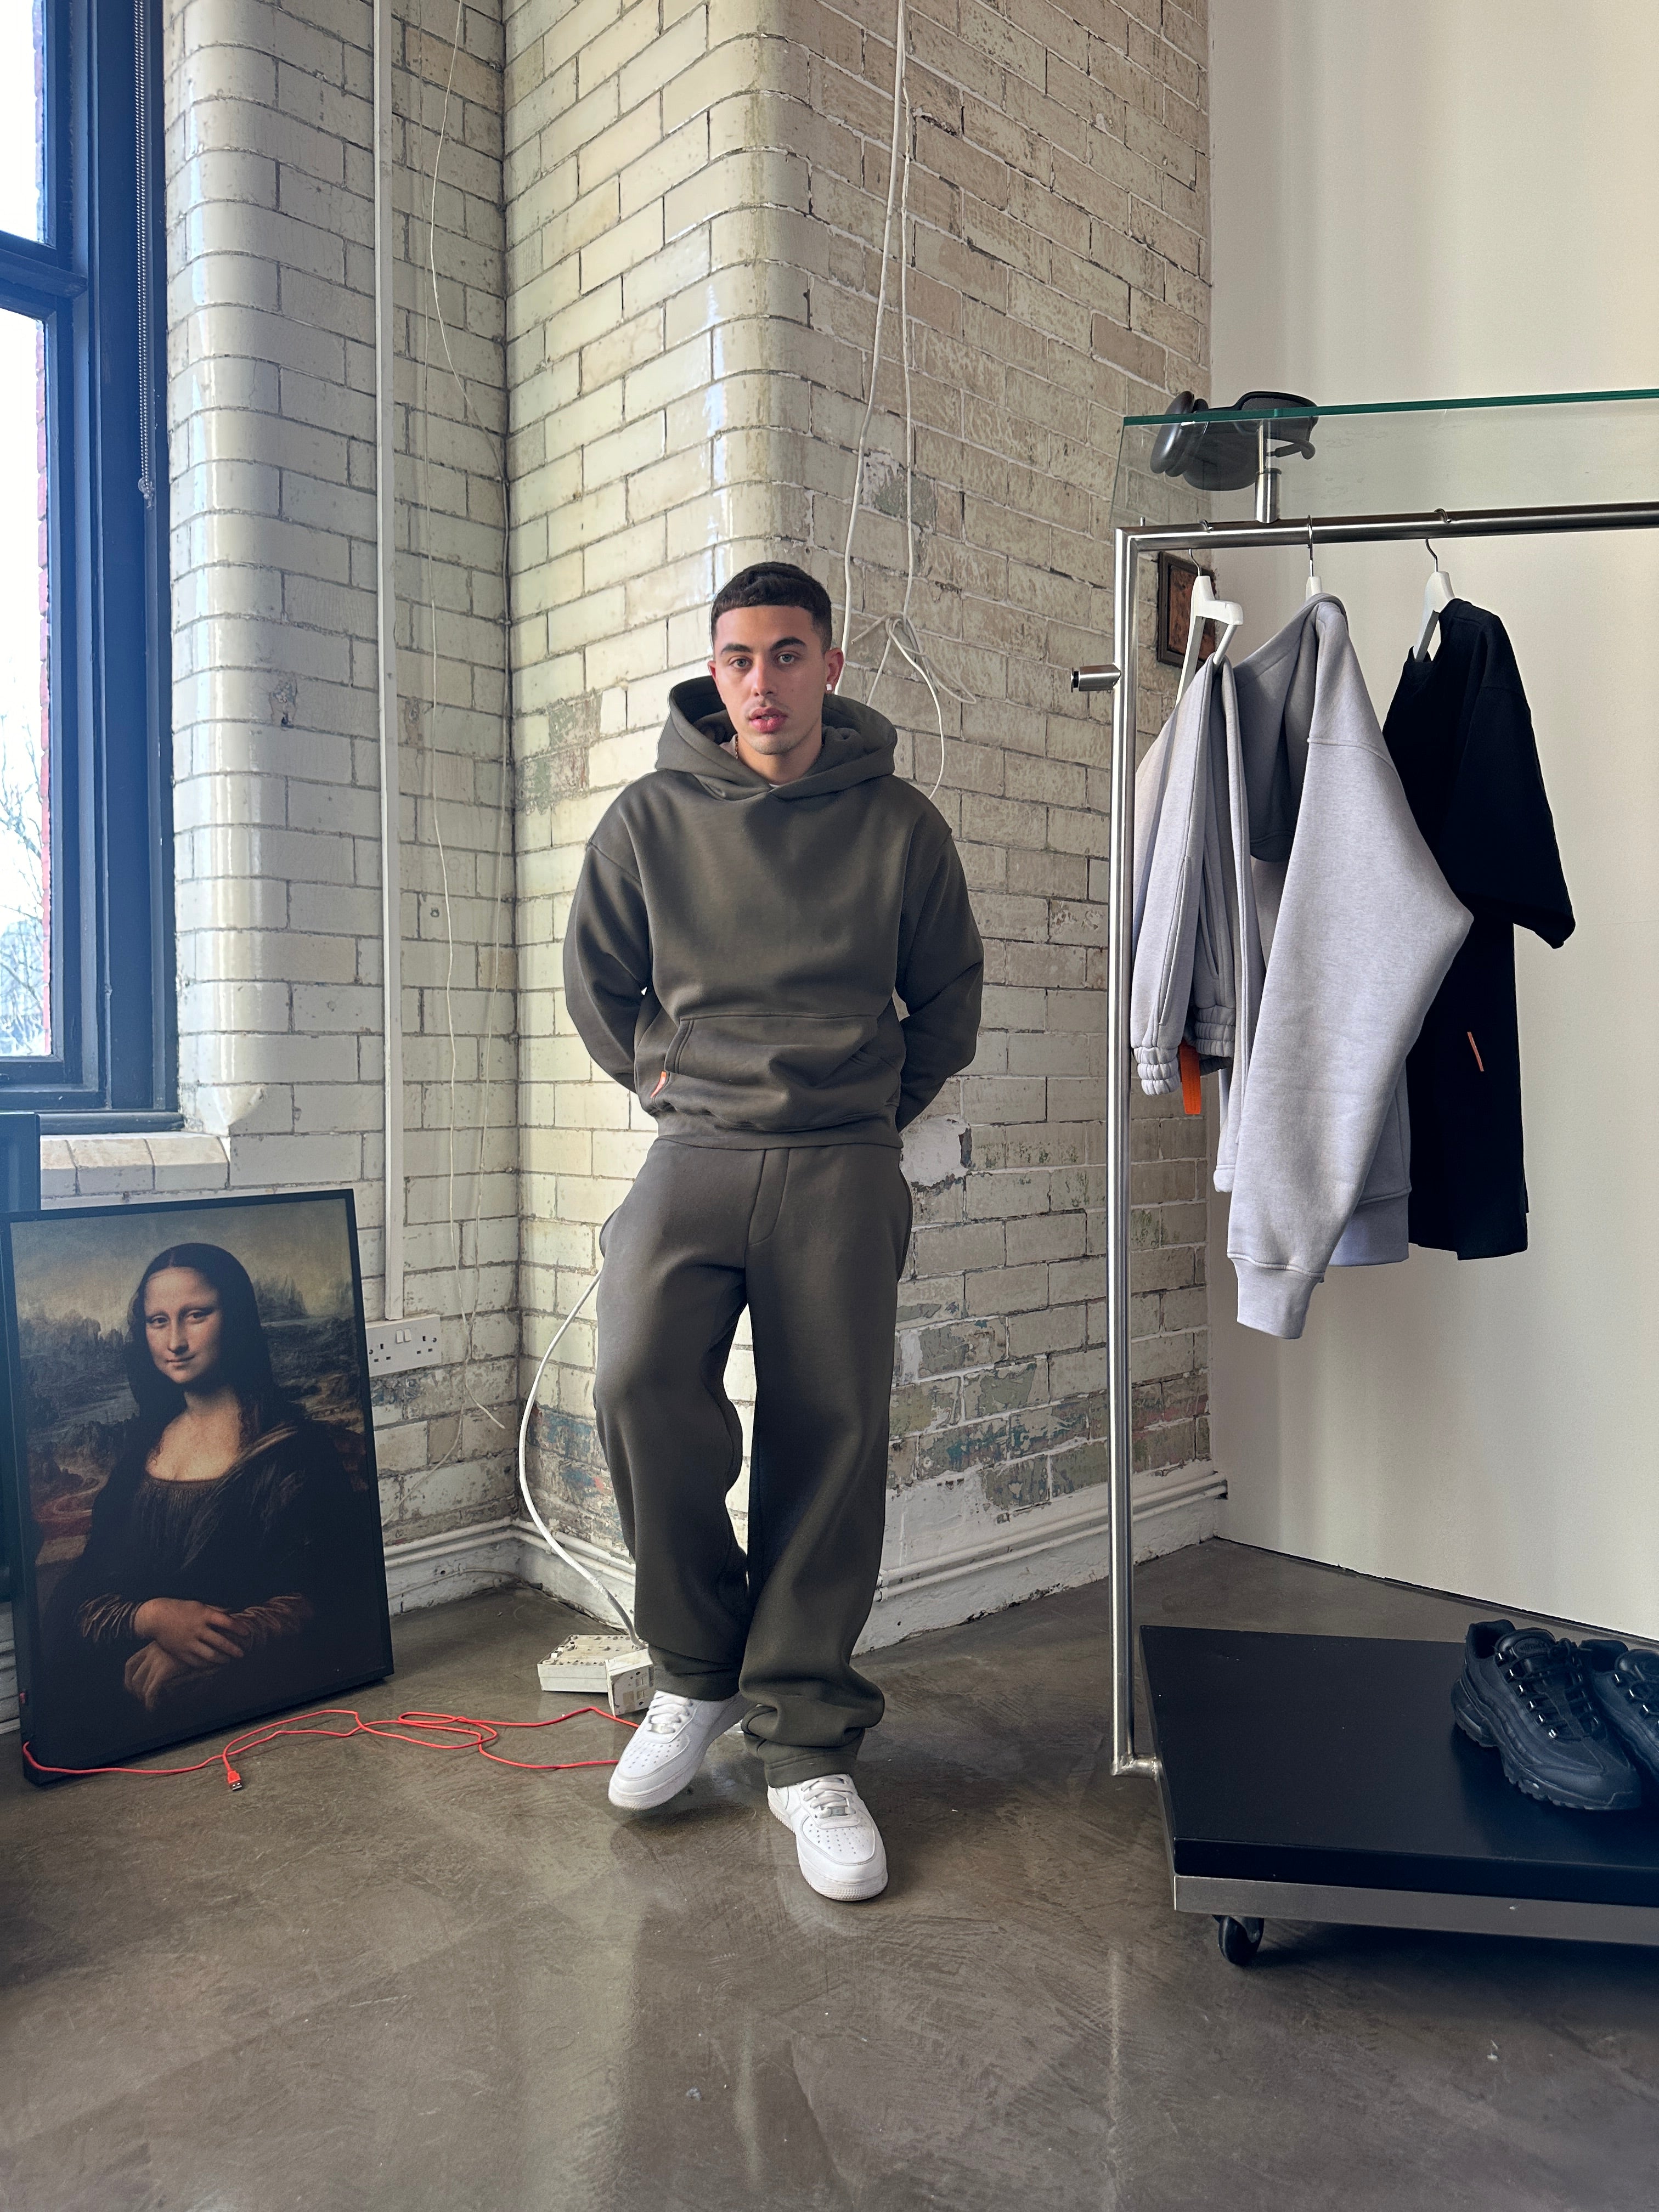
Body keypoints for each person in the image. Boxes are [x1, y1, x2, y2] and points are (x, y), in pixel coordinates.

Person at [563, 561, 983, 1901]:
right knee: (636, 1376)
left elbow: (949, 998)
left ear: (829, 667)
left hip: (842, 1158)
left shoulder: (901, 824)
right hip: (696, 1148)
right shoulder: (648, 820)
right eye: (739, 658)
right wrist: (666, 1079)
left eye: (788, 655)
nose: (763, 682)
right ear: (715, 671)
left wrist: (869, 1113)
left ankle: (805, 1738)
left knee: (832, 1429)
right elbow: (598, 982)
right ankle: (695, 1672)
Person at [42, 1243, 377, 1760]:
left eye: (196, 1315)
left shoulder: (293, 1451)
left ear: (235, 1318)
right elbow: (82, 1594)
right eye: (158, 1321)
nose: (175, 1341)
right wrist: (154, 1618)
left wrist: (203, 1648)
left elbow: (326, 1594)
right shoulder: (142, 1453)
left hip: (256, 1700)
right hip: (127, 1703)